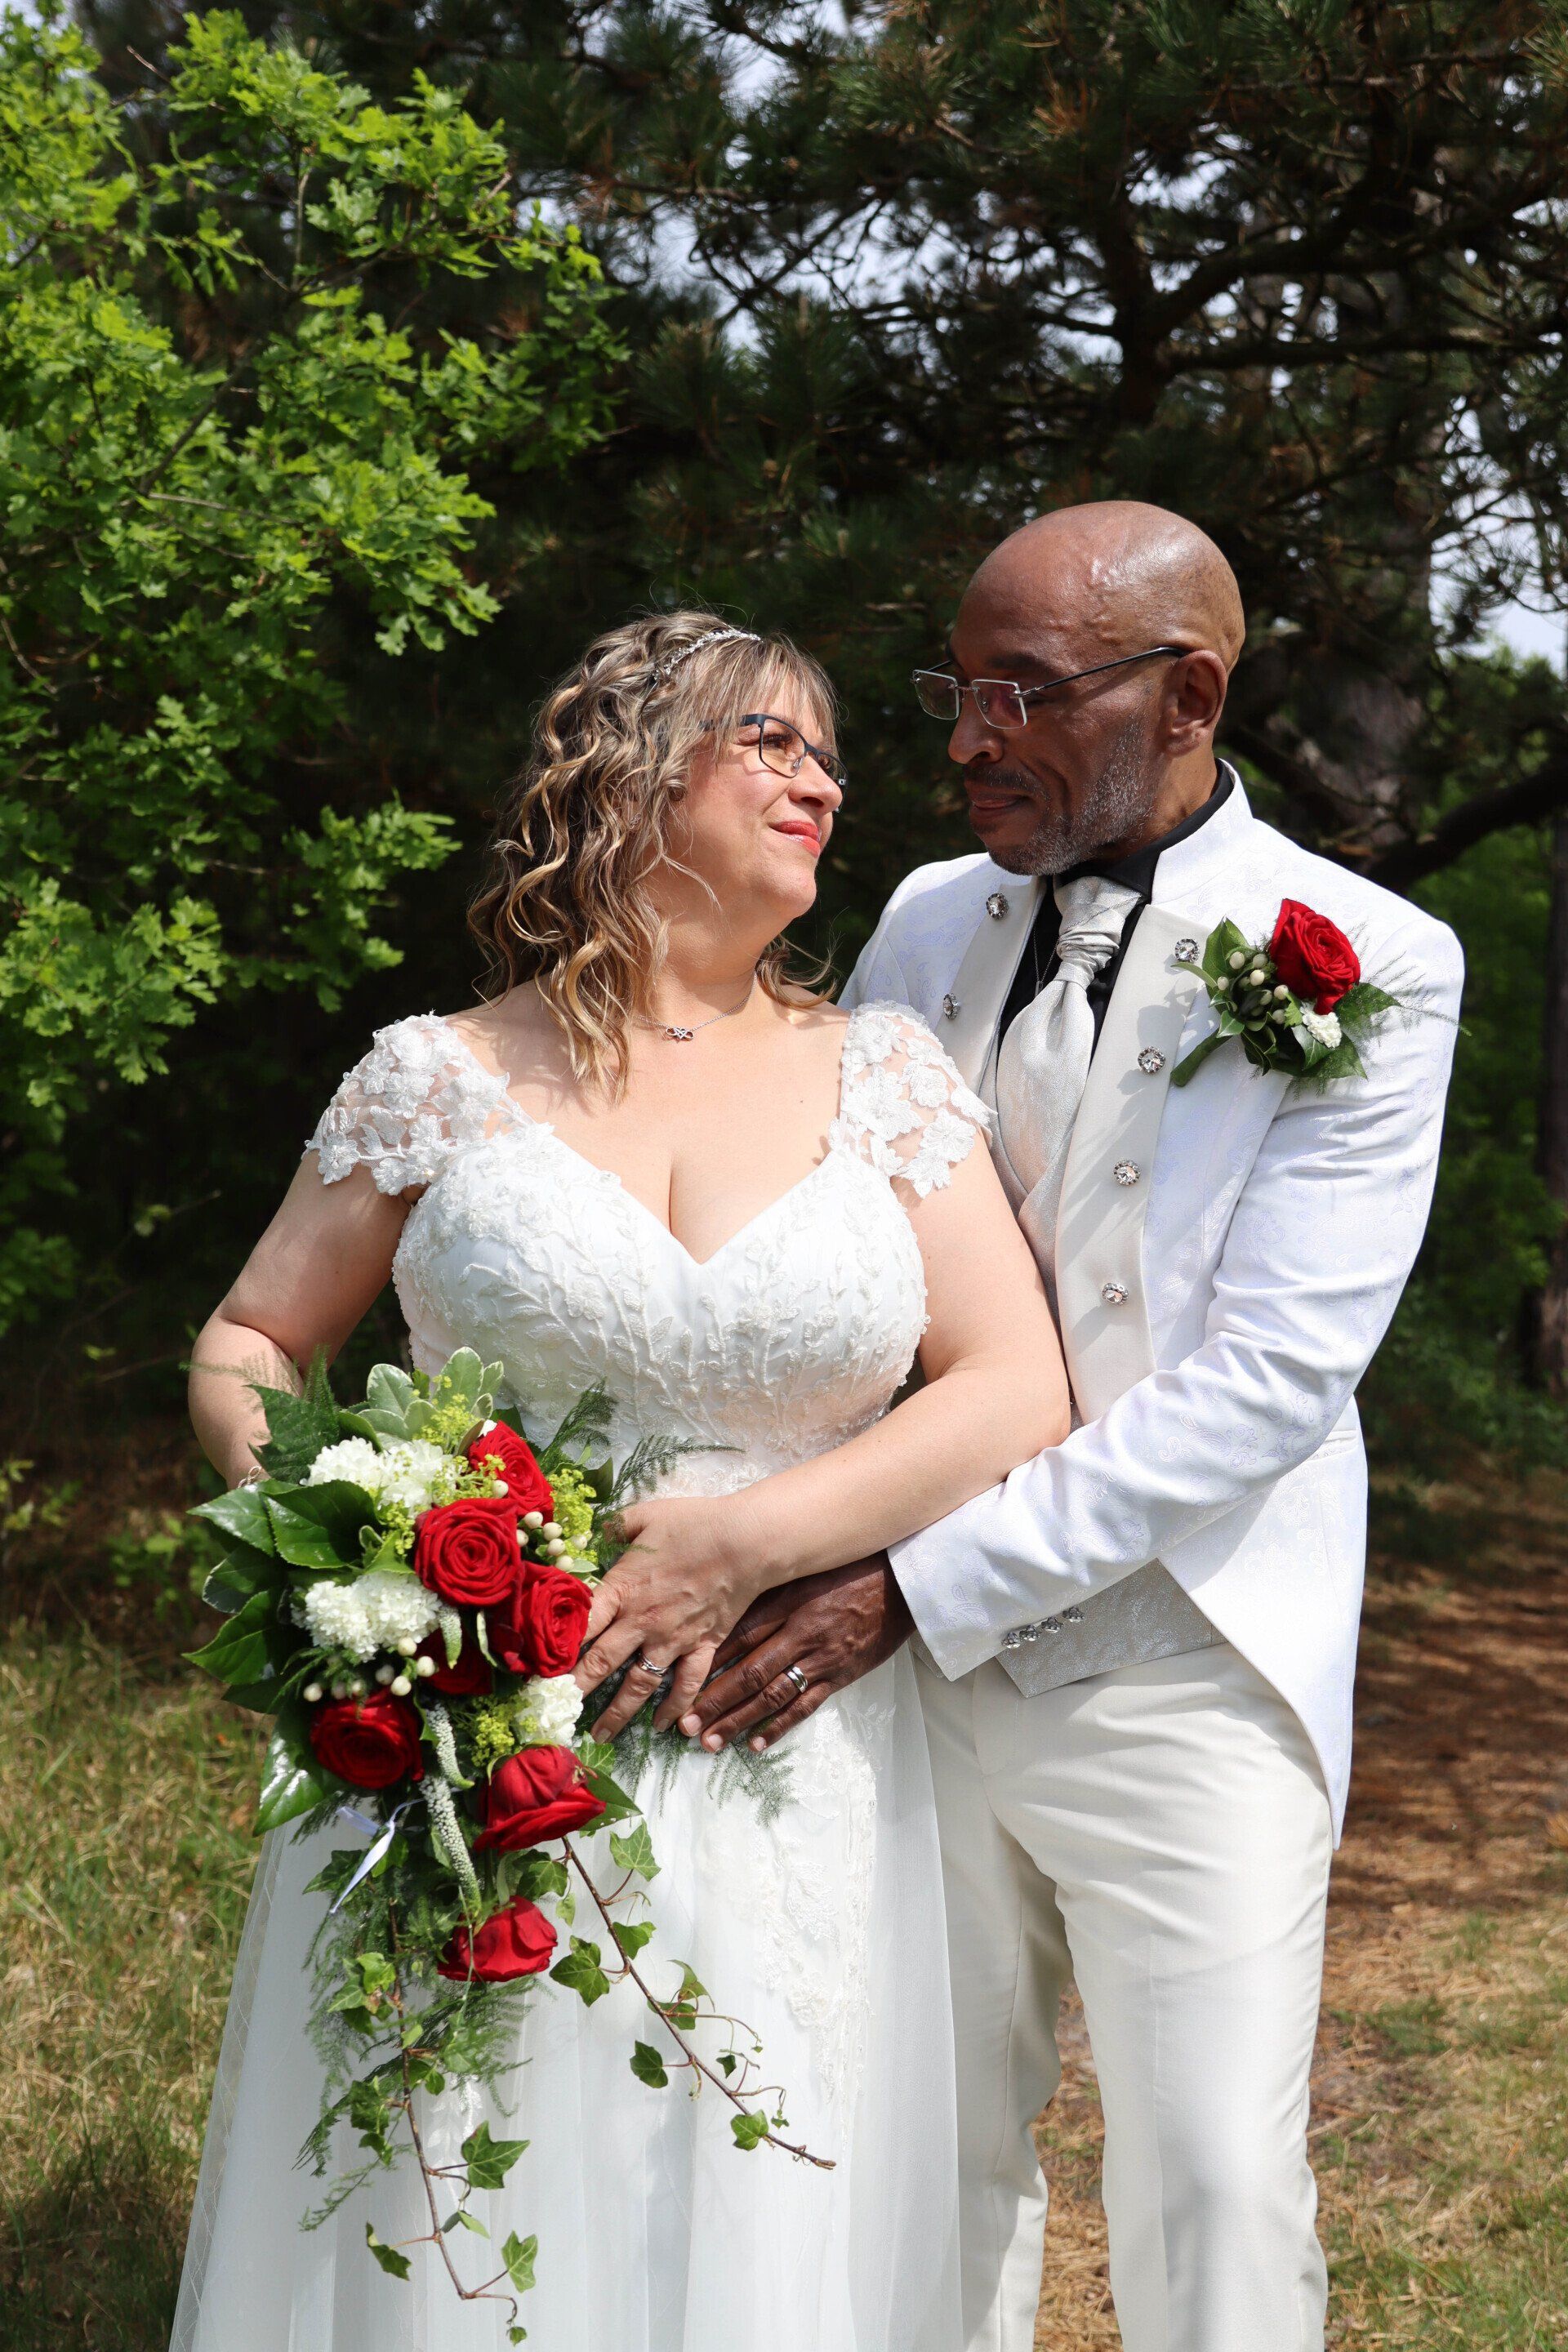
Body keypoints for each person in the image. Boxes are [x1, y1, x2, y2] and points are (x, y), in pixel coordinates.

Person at [172, 613, 1068, 2352]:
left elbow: (1016, 1383)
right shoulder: (437, 1077)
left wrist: (752, 1543)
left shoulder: (885, 1074)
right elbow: (249, 1341)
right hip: (481, 1718)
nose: (825, 781)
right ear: (634, 769)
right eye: (772, 741)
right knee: (471, 2172)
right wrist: (364, 1552)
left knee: (757, 2190)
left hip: (791, 1737)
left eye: (830, 755)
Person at [680, 503, 1466, 2352]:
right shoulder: (921, 916)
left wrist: (903, 1583)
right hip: (896, 1680)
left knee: (1212, 2181)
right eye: (957, 689)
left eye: (1023, 693)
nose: (969, 738)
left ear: (1186, 695)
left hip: (1186, 1651)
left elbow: (1268, 1385)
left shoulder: (1375, 956)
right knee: (917, 2147)